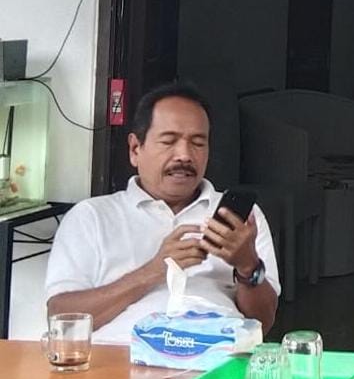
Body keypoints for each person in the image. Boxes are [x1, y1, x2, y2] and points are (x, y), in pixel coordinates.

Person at [45, 82, 280, 343]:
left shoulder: (242, 222)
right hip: (121, 358)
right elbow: (61, 318)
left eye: (198, 143)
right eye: (169, 141)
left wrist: (247, 265)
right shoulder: (92, 217)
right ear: (135, 149)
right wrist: (153, 271)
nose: (184, 155)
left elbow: (263, 323)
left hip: (217, 358)